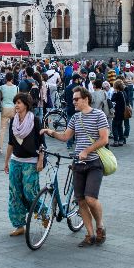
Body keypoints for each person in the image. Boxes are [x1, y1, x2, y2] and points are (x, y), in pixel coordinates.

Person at [41, 86, 110, 247]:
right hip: (78, 163)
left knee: (91, 199)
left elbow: (104, 139)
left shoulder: (98, 115)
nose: (73, 102)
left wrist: (86, 150)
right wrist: (49, 132)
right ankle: (90, 234)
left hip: (94, 162)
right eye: (73, 99)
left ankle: (100, 225)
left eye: (76, 99)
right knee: (81, 200)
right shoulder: (75, 118)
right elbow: (66, 136)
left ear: (86, 99)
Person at [4, 92, 45, 237]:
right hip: (16, 161)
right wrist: (7, 161)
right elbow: (10, 143)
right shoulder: (13, 121)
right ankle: (19, 225)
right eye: (15, 102)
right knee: (15, 194)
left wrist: (40, 160)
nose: (16, 105)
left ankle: (44, 213)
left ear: (26, 105)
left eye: (19, 103)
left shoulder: (36, 120)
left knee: (30, 192)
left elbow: (42, 144)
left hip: (31, 162)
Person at [109, 80, 129, 147]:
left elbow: (112, 100)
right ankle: (121, 140)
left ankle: (116, 141)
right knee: (120, 126)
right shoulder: (124, 92)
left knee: (114, 126)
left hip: (117, 112)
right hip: (123, 112)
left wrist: (114, 93)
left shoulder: (117, 94)